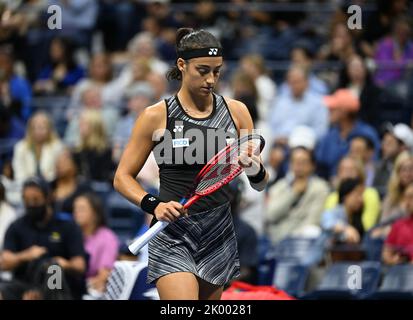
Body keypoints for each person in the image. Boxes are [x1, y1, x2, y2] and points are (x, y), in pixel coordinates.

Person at [113, 28, 269, 300]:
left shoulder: (238, 112)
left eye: (217, 71)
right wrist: (155, 205)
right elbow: (122, 178)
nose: (211, 79)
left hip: (218, 232)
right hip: (173, 233)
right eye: (203, 70)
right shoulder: (155, 116)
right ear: (182, 65)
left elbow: (259, 184)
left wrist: (254, 168)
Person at [0, 177, 86, 300]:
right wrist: (25, 255)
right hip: (25, 285)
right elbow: (4, 262)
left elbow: (80, 265)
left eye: (35, 200)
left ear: (47, 198)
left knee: (53, 268)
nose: (31, 204)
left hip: (57, 285)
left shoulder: (67, 225)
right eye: (27, 200)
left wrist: (65, 264)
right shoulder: (17, 226)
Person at [265, 147, 329, 244]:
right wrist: (293, 194)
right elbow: (271, 215)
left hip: (304, 242)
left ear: (312, 166)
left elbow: (313, 221)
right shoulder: (279, 187)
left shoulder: (320, 188)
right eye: (295, 161)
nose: (299, 165)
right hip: (278, 243)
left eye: (303, 162)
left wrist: (291, 235)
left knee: (313, 231)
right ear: (290, 165)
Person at [73, 193, 119, 294]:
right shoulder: (71, 235)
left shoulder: (107, 237)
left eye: (81, 209)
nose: (76, 212)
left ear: (95, 213)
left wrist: (82, 287)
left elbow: (104, 275)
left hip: (91, 291)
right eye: (75, 209)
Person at [325, 156, 381, 233]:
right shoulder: (332, 196)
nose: (346, 173)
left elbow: (367, 226)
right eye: (342, 170)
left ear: (359, 172)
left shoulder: (370, 193)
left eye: (351, 170)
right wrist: (345, 229)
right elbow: (328, 219)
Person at [12, 111, 64, 183]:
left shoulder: (58, 147)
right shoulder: (20, 147)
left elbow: (58, 171)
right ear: (30, 129)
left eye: (42, 127)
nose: (38, 131)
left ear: (49, 129)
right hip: (26, 185)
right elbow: (19, 172)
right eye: (35, 127)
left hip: (51, 184)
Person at [321, 178, 366, 245]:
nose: (361, 199)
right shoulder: (336, 211)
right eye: (357, 195)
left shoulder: (357, 216)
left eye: (362, 195)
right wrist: (346, 228)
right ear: (345, 196)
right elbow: (327, 221)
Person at [382, 182, 413, 265]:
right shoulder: (398, 225)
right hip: (401, 272)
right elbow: (386, 253)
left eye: (411, 197)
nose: (407, 202)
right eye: (406, 198)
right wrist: (393, 260)